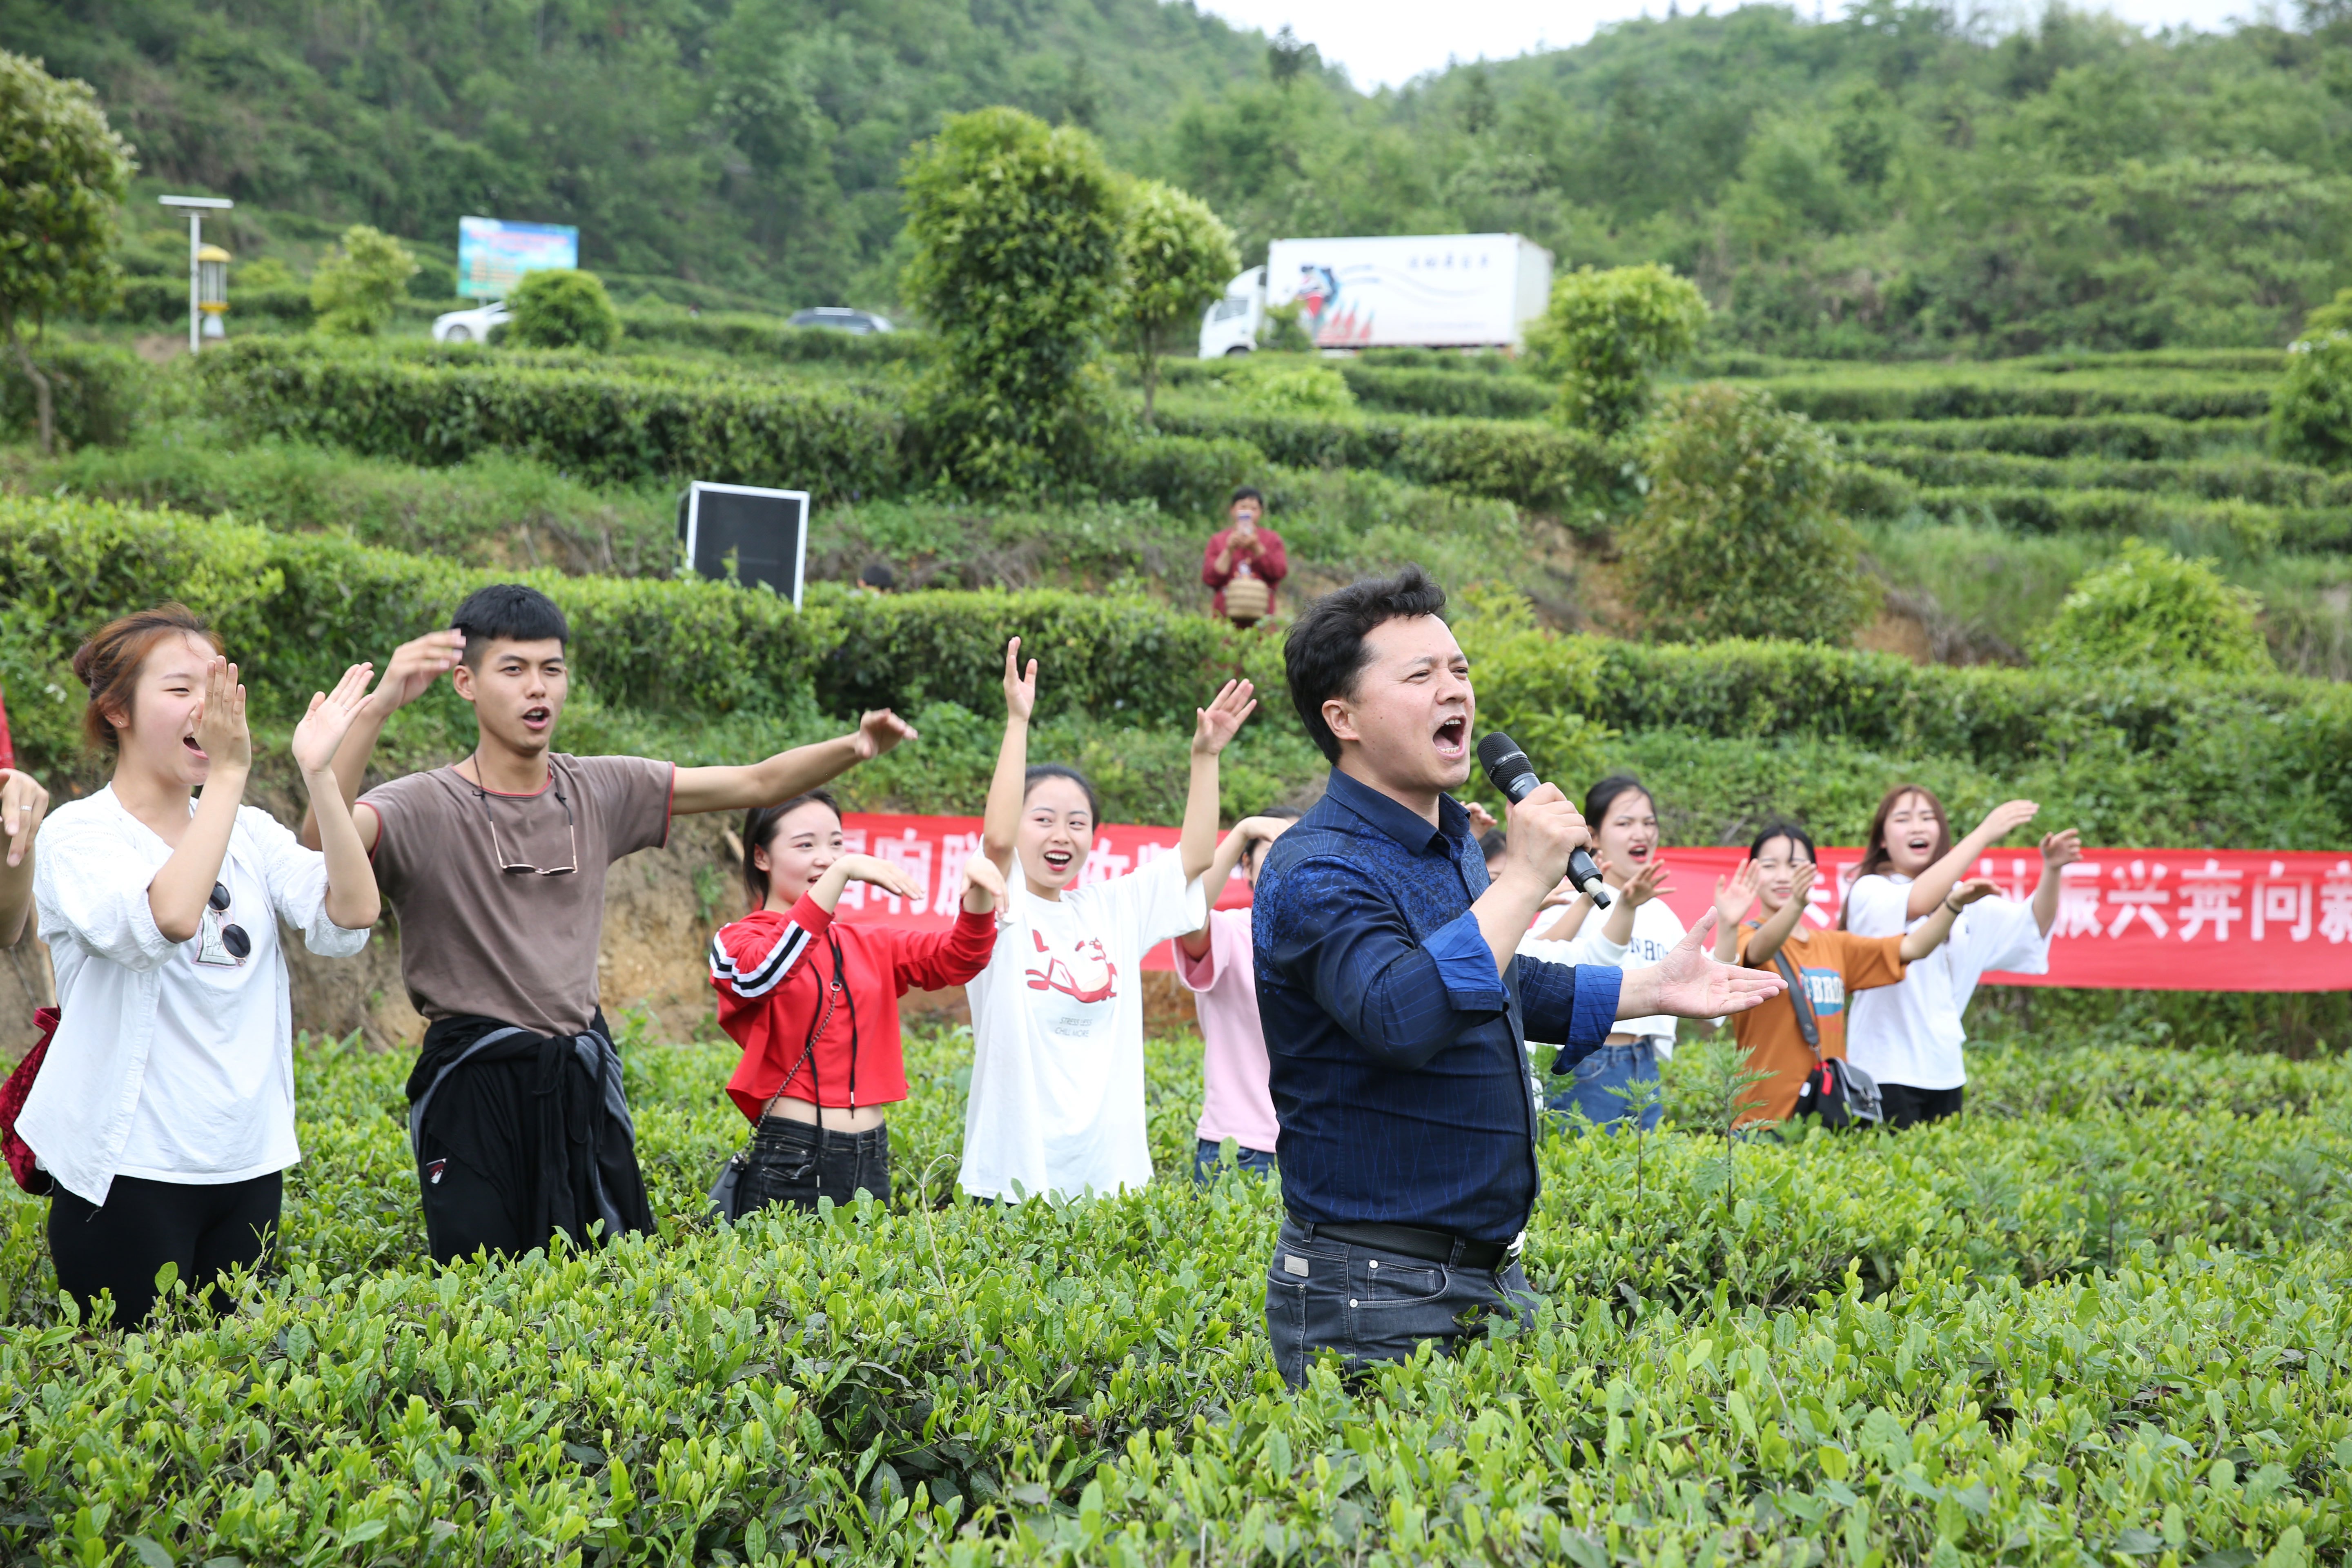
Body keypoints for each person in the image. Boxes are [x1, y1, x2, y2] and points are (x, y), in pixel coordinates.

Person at [1252, 566, 1786, 1389]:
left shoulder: (1448, 844)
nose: (1453, 690)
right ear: (1343, 718)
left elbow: (1497, 980)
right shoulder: (1315, 868)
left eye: (1459, 669)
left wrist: (1646, 992)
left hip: (1490, 1275)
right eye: (1420, 675)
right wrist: (1528, 878)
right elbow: (1400, 1014)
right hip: (1372, 1291)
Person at [299, 583, 919, 1265]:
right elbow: (322, 843)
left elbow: (756, 783)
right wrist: (377, 709)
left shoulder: (598, 788)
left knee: (608, 1276)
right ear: (465, 683)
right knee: (481, 1281)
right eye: (513, 669)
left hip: (580, 1077)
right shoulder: (423, 803)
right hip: (474, 1084)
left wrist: (857, 746)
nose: (537, 688)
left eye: (552, 669)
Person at [26, 606, 379, 1325]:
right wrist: (229, 773)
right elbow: (168, 918)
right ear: (117, 709)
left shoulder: (249, 830)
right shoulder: (79, 836)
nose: (207, 707)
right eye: (180, 688)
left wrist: (319, 775)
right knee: (130, 1381)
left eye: (215, 687)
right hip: (128, 1171)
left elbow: (351, 912)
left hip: (247, 1165)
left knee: (229, 1380)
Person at [958, 638, 1254, 1203]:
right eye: (1042, 819)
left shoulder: (1111, 909)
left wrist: (1206, 757)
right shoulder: (999, 899)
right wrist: (1017, 722)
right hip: (1010, 1180)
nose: (1062, 835)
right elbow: (995, 840)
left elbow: (1194, 858)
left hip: (1107, 1183)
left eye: (1077, 823)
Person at [709, 788, 1008, 1211]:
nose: (826, 858)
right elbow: (763, 973)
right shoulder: (738, 939)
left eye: (836, 844)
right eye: (806, 845)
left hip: (871, 1154)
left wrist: (977, 892)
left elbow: (960, 958)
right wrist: (842, 871)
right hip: (792, 1152)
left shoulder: (866, 942)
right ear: (761, 857)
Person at [1713, 820, 1996, 1127]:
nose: (1783, 876)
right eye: (1770, 865)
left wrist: (1953, 904)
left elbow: (1913, 947)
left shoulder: (1835, 946)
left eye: (1795, 865)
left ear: (1813, 873)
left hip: (1826, 1122)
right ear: (1754, 873)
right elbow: (1760, 950)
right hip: (1761, 1123)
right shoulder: (1743, 937)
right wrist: (1789, 907)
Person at [1841, 785, 2082, 1128]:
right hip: (1883, 1069)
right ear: (1882, 838)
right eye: (1903, 819)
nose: (1917, 827)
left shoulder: (1964, 897)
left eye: (1927, 818)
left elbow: (2031, 928)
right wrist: (1985, 834)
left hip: (1945, 1071)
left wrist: (2053, 870)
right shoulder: (1872, 890)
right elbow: (1919, 901)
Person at [1518, 775, 1698, 1131]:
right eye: (1625, 823)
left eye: (1649, 823)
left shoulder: (1661, 911)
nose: (1641, 833)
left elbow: (1690, 978)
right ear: (1594, 835)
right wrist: (1588, 898)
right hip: (1590, 1061)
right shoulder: (1570, 897)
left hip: (1644, 1062)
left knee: (1643, 1166)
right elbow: (1532, 963)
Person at [1174, 806, 1302, 1182]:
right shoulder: (1230, 932)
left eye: (1303, 852)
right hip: (1241, 1149)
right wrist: (1242, 831)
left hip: (1322, 1146)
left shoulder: (1337, 941)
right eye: (1276, 852)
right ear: (1246, 866)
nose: (1292, 864)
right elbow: (1188, 911)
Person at [1201, 487, 1288, 629]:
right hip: (1225, 621)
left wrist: (1257, 548)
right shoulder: (1218, 540)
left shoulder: (1272, 539)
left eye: (1254, 509)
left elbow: (1279, 572)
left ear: (1260, 512)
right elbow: (1210, 578)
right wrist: (1229, 550)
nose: (1248, 512)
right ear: (1232, 510)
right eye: (1243, 507)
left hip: (1262, 622)